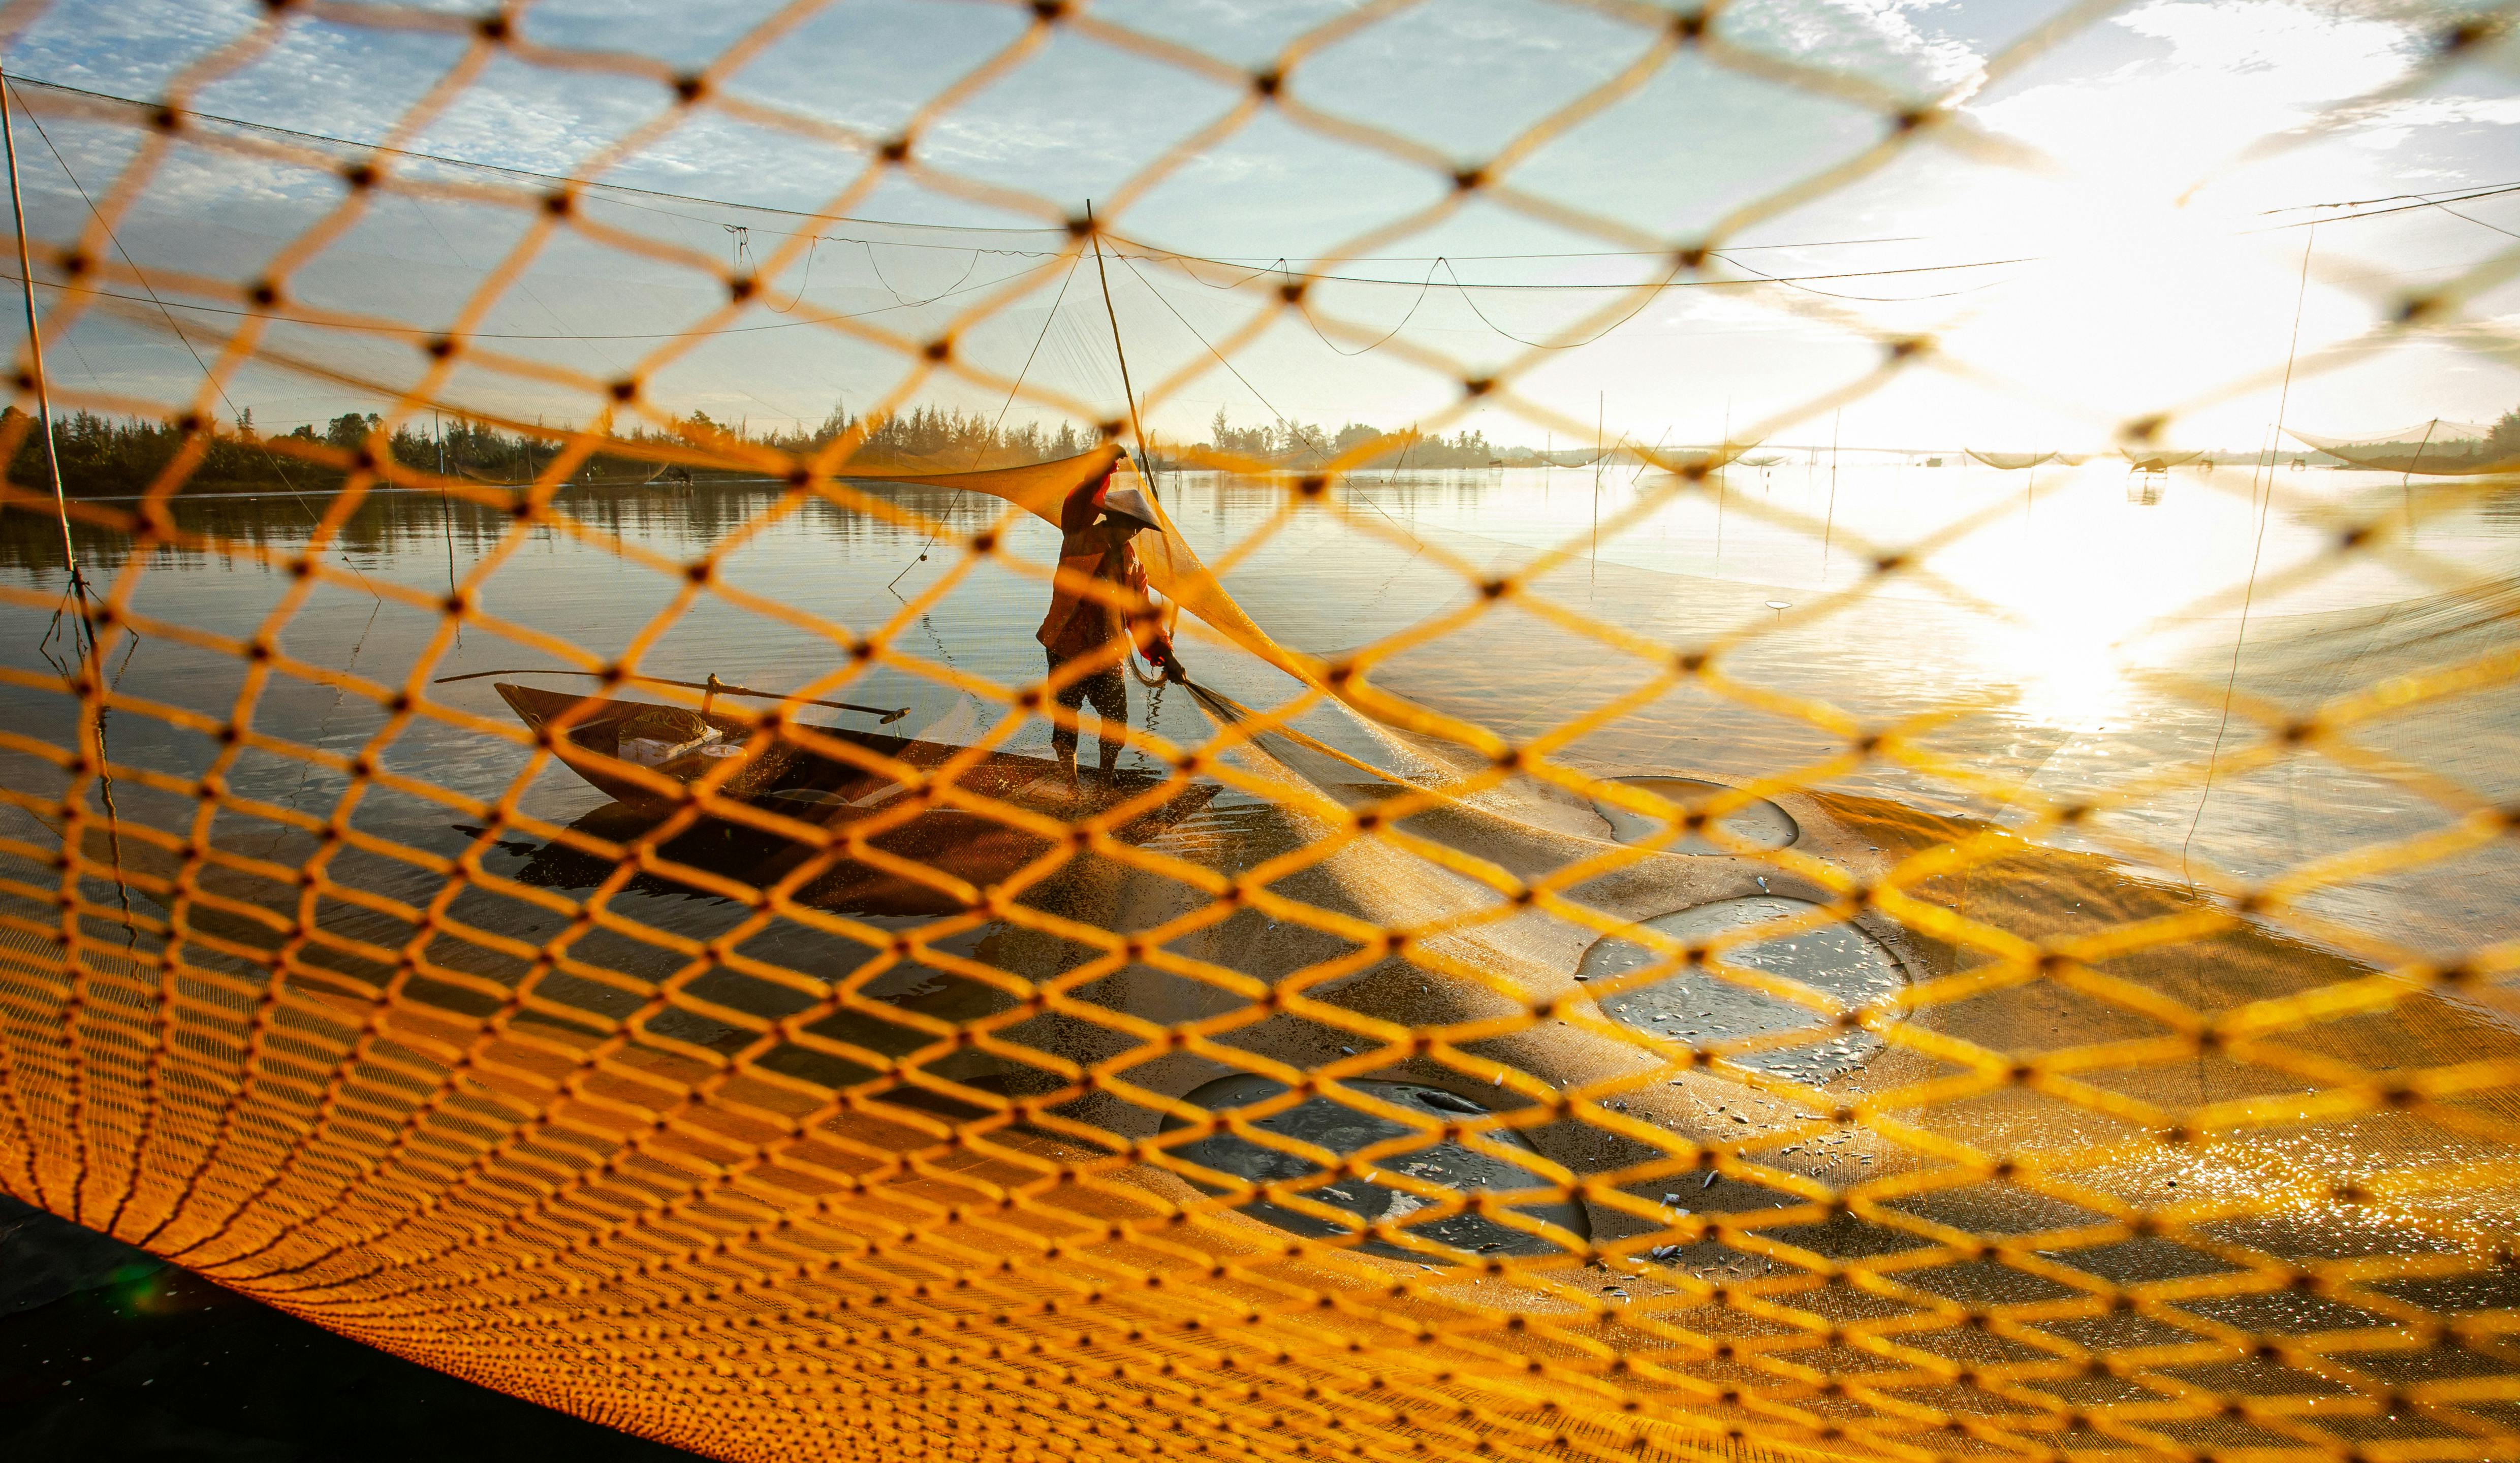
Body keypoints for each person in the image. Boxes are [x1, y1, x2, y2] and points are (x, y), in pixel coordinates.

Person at [1036, 454, 1184, 791]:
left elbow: (1142, 618)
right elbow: (1078, 503)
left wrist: (1168, 658)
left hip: (1107, 653)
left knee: (1116, 724)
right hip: (1068, 648)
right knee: (1066, 722)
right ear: (1111, 518)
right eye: (1127, 522)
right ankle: (1071, 786)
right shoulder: (1079, 538)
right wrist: (1104, 468)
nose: (1132, 531)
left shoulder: (1133, 565)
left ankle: (1105, 784)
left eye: (1137, 526)